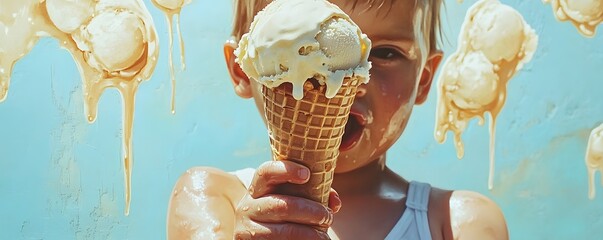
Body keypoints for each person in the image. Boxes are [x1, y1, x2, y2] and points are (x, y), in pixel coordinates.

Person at [167, 0, 509, 239]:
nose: (351, 80)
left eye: (386, 52)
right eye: (307, 50)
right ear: (242, 68)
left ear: (423, 79)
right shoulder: (213, 199)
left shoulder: (458, 224)